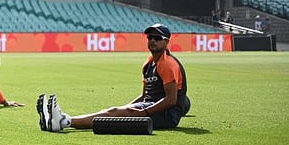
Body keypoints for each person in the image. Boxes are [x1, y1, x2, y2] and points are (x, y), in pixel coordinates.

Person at [37, 23, 191, 132]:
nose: (152, 41)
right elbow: (145, 96)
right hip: (151, 108)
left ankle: (65, 121)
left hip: (166, 116)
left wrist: (142, 113)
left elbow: (171, 100)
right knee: (116, 111)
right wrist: (127, 107)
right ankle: (59, 121)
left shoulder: (168, 64)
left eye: (157, 38)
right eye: (150, 37)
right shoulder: (149, 64)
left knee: (115, 113)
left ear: (166, 42)